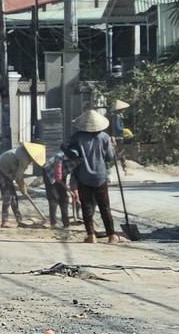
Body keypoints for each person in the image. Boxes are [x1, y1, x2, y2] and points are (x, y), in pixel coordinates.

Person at [67, 109, 123, 244]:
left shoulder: (77, 137)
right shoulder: (104, 137)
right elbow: (110, 157)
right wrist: (112, 146)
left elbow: (70, 153)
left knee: (87, 206)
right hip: (100, 177)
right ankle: (111, 235)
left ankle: (91, 235)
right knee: (104, 206)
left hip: (83, 176)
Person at [0, 142, 46, 228]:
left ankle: (19, 219)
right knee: (8, 196)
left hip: (7, 172)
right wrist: (22, 186)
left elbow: (18, 175)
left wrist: (22, 185)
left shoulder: (23, 153)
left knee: (14, 197)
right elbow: (19, 176)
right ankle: (4, 221)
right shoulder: (24, 158)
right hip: (0, 171)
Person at [42, 144, 81, 228]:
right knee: (54, 197)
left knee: (64, 198)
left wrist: (75, 191)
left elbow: (74, 178)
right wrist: (58, 173)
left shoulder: (80, 162)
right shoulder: (68, 154)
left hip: (62, 173)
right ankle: (53, 223)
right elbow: (58, 156)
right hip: (50, 171)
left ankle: (66, 223)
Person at [108, 99, 130, 176]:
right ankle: (108, 171)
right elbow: (117, 127)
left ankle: (125, 170)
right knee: (117, 155)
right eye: (123, 109)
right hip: (116, 138)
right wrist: (124, 130)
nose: (124, 110)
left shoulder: (117, 116)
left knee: (121, 154)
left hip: (118, 137)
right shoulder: (116, 116)